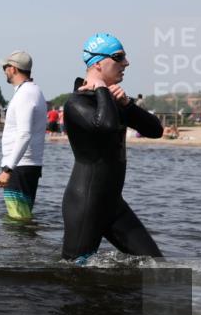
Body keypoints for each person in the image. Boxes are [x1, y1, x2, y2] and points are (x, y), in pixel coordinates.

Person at [61, 33, 163, 263]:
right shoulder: (76, 104)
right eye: (119, 57)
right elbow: (105, 125)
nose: (126, 63)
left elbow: (156, 130)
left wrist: (127, 104)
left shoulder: (114, 102)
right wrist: (103, 91)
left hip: (113, 204)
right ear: (97, 63)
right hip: (85, 203)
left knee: (157, 266)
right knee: (74, 275)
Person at [0, 51, 47, 221]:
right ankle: (26, 247)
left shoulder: (25, 94)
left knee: (18, 219)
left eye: (5, 67)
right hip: (25, 165)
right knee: (22, 218)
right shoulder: (32, 91)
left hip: (20, 166)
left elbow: (24, 134)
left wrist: (8, 169)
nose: (4, 71)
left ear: (14, 69)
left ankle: (19, 248)